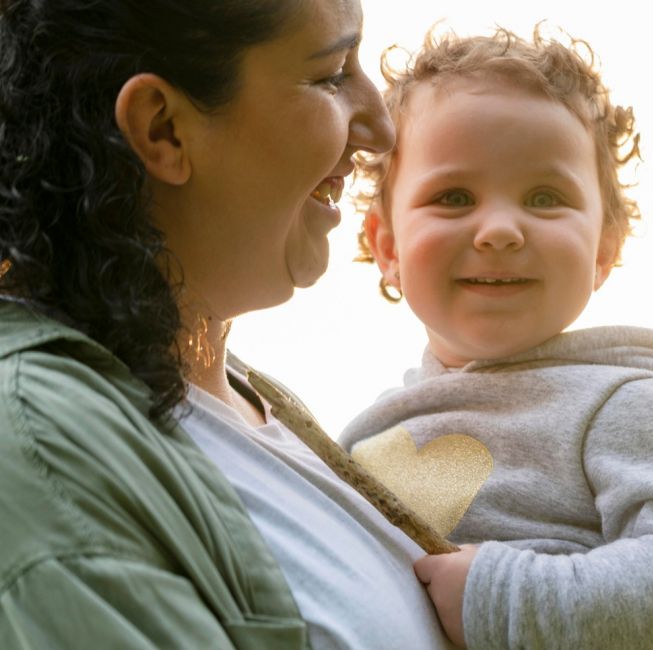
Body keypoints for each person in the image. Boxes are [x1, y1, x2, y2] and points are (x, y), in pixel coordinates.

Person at [0, 0, 456, 647]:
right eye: (331, 74)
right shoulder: (44, 455)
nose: (382, 128)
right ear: (163, 130)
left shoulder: (240, 397)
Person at [341, 27, 653, 649]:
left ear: (604, 250)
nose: (501, 230)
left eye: (545, 197)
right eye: (454, 197)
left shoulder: (624, 401)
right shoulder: (368, 429)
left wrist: (506, 600)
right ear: (387, 246)